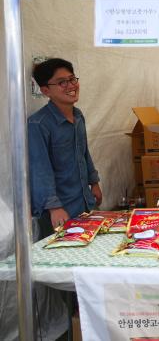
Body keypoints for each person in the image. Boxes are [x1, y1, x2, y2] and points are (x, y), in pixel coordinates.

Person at [29, 58, 102, 239]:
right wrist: (54, 207)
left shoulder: (78, 116)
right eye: (62, 82)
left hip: (84, 202)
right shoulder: (38, 124)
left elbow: (84, 153)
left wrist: (94, 182)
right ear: (46, 90)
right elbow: (40, 170)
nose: (70, 86)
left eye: (72, 79)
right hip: (58, 211)